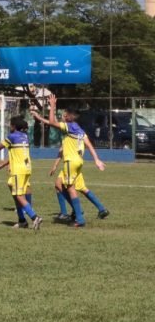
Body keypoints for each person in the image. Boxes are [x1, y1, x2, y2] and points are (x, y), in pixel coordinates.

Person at [31, 94, 105, 228]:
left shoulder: (69, 126)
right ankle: (77, 212)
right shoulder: (78, 129)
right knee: (59, 184)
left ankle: (80, 218)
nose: (63, 115)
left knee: (70, 188)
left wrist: (52, 106)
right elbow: (88, 144)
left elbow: (53, 122)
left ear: (69, 117)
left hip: (71, 161)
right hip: (77, 162)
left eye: (65, 113)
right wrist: (97, 159)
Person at [0, 117, 43, 230]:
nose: (9, 127)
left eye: (10, 125)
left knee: (18, 195)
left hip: (18, 170)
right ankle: (22, 221)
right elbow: (17, 154)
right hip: (26, 168)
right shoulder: (24, 136)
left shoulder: (12, 136)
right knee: (13, 187)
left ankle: (35, 217)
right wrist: (4, 164)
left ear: (14, 126)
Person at [49, 144, 110, 221]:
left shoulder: (69, 135)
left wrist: (55, 165)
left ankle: (68, 212)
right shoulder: (79, 134)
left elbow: (61, 150)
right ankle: (102, 209)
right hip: (77, 164)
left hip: (70, 164)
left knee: (59, 184)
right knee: (82, 188)